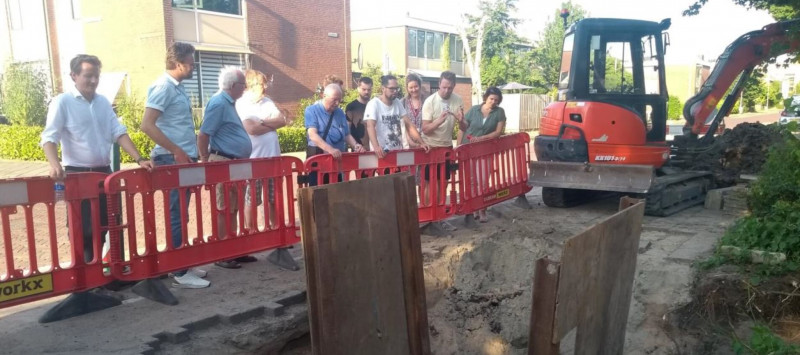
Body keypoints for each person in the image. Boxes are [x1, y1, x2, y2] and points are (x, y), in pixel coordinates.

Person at [40, 54, 154, 265]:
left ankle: (100, 276)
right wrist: (54, 163)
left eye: (96, 76)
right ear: (73, 75)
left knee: (104, 224)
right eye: (88, 76)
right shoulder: (62, 102)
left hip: (103, 173)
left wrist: (139, 158)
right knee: (82, 229)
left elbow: (118, 132)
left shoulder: (102, 102)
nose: (93, 81)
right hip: (78, 174)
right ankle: (85, 283)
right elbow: (49, 136)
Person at [141, 42, 209, 288]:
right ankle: (179, 271)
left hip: (181, 158)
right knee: (177, 213)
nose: (194, 67)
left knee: (181, 212)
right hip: (173, 159)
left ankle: (180, 264)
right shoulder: (164, 87)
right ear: (179, 64)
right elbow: (147, 124)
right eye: (191, 63)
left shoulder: (176, 88)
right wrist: (176, 150)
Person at [198, 67, 252, 270]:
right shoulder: (219, 103)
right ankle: (223, 253)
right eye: (242, 85)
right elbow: (203, 134)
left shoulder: (227, 103)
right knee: (224, 208)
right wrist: (205, 160)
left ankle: (233, 249)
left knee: (233, 207)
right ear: (232, 86)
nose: (245, 88)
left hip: (232, 162)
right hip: (223, 161)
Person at [235, 69, 288, 234]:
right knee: (252, 198)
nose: (265, 87)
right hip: (254, 159)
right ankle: (251, 230)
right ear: (250, 85)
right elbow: (251, 129)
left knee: (274, 197)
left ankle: (275, 228)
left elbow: (282, 121)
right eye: (260, 84)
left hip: (273, 158)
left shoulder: (267, 101)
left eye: (265, 84)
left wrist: (262, 122)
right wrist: (269, 123)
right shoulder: (242, 103)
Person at [421, 71, 463, 231]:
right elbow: (425, 129)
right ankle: (428, 217)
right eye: (444, 87)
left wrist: (462, 121)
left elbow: (464, 127)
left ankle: (439, 216)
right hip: (430, 148)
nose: (446, 91)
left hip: (446, 147)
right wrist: (439, 121)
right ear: (439, 84)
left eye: (450, 88)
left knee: (443, 183)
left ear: (454, 87)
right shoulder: (430, 102)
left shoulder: (458, 99)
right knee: (428, 183)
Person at [457, 86, 507, 223]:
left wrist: (482, 138)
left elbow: (498, 132)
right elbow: (463, 128)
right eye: (491, 99)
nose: (493, 102)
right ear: (486, 98)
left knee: (483, 180)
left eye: (496, 100)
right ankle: (474, 208)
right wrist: (458, 145)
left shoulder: (499, 112)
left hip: (485, 150)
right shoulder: (474, 110)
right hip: (469, 148)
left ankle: (482, 209)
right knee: (471, 180)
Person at [305, 84, 365, 185]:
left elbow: (346, 134)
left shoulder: (340, 112)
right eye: (334, 100)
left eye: (339, 100)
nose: (337, 103)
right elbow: (312, 135)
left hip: (337, 162)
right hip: (319, 161)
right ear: (324, 96)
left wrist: (356, 145)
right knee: (318, 192)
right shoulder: (311, 110)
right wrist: (330, 150)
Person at [364, 75, 429, 158]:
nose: (395, 91)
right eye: (391, 89)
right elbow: (370, 126)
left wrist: (421, 142)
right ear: (383, 88)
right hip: (382, 153)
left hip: (397, 152)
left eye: (396, 88)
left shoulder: (397, 102)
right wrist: (376, 147)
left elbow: (409, 124)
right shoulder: (373, 104)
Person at [345, 77, 373, 151]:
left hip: (375, 149)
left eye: (369, 89)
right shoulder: (351, 107)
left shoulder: (375, 105)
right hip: (359, 150)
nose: (366, 92)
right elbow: (346, 130)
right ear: (358, 89)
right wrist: (355, 145)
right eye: (364, 89)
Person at [401, 73, 426, 149]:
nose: (414, 90)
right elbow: (402, 124)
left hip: (425, 142)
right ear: (407, 88)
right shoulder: (402, 102)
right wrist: (409, 141)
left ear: (420, 86)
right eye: (411, 87)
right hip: (407, 142)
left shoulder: (427, 101)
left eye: (416, 86)